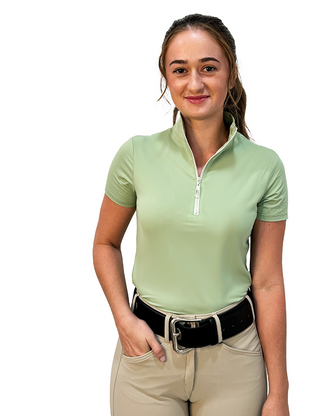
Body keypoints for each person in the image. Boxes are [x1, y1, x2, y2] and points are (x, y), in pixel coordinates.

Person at [93, 13, 289, 416]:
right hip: (147, 360)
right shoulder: (136, 155)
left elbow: (268, 282)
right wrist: (123, 319)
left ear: (232, 74)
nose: (195, 83)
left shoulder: (265, 167)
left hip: (235, 364)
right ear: (166, 78)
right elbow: (105, 243)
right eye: (180, 70)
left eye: (209, 68)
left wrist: (280, 391)